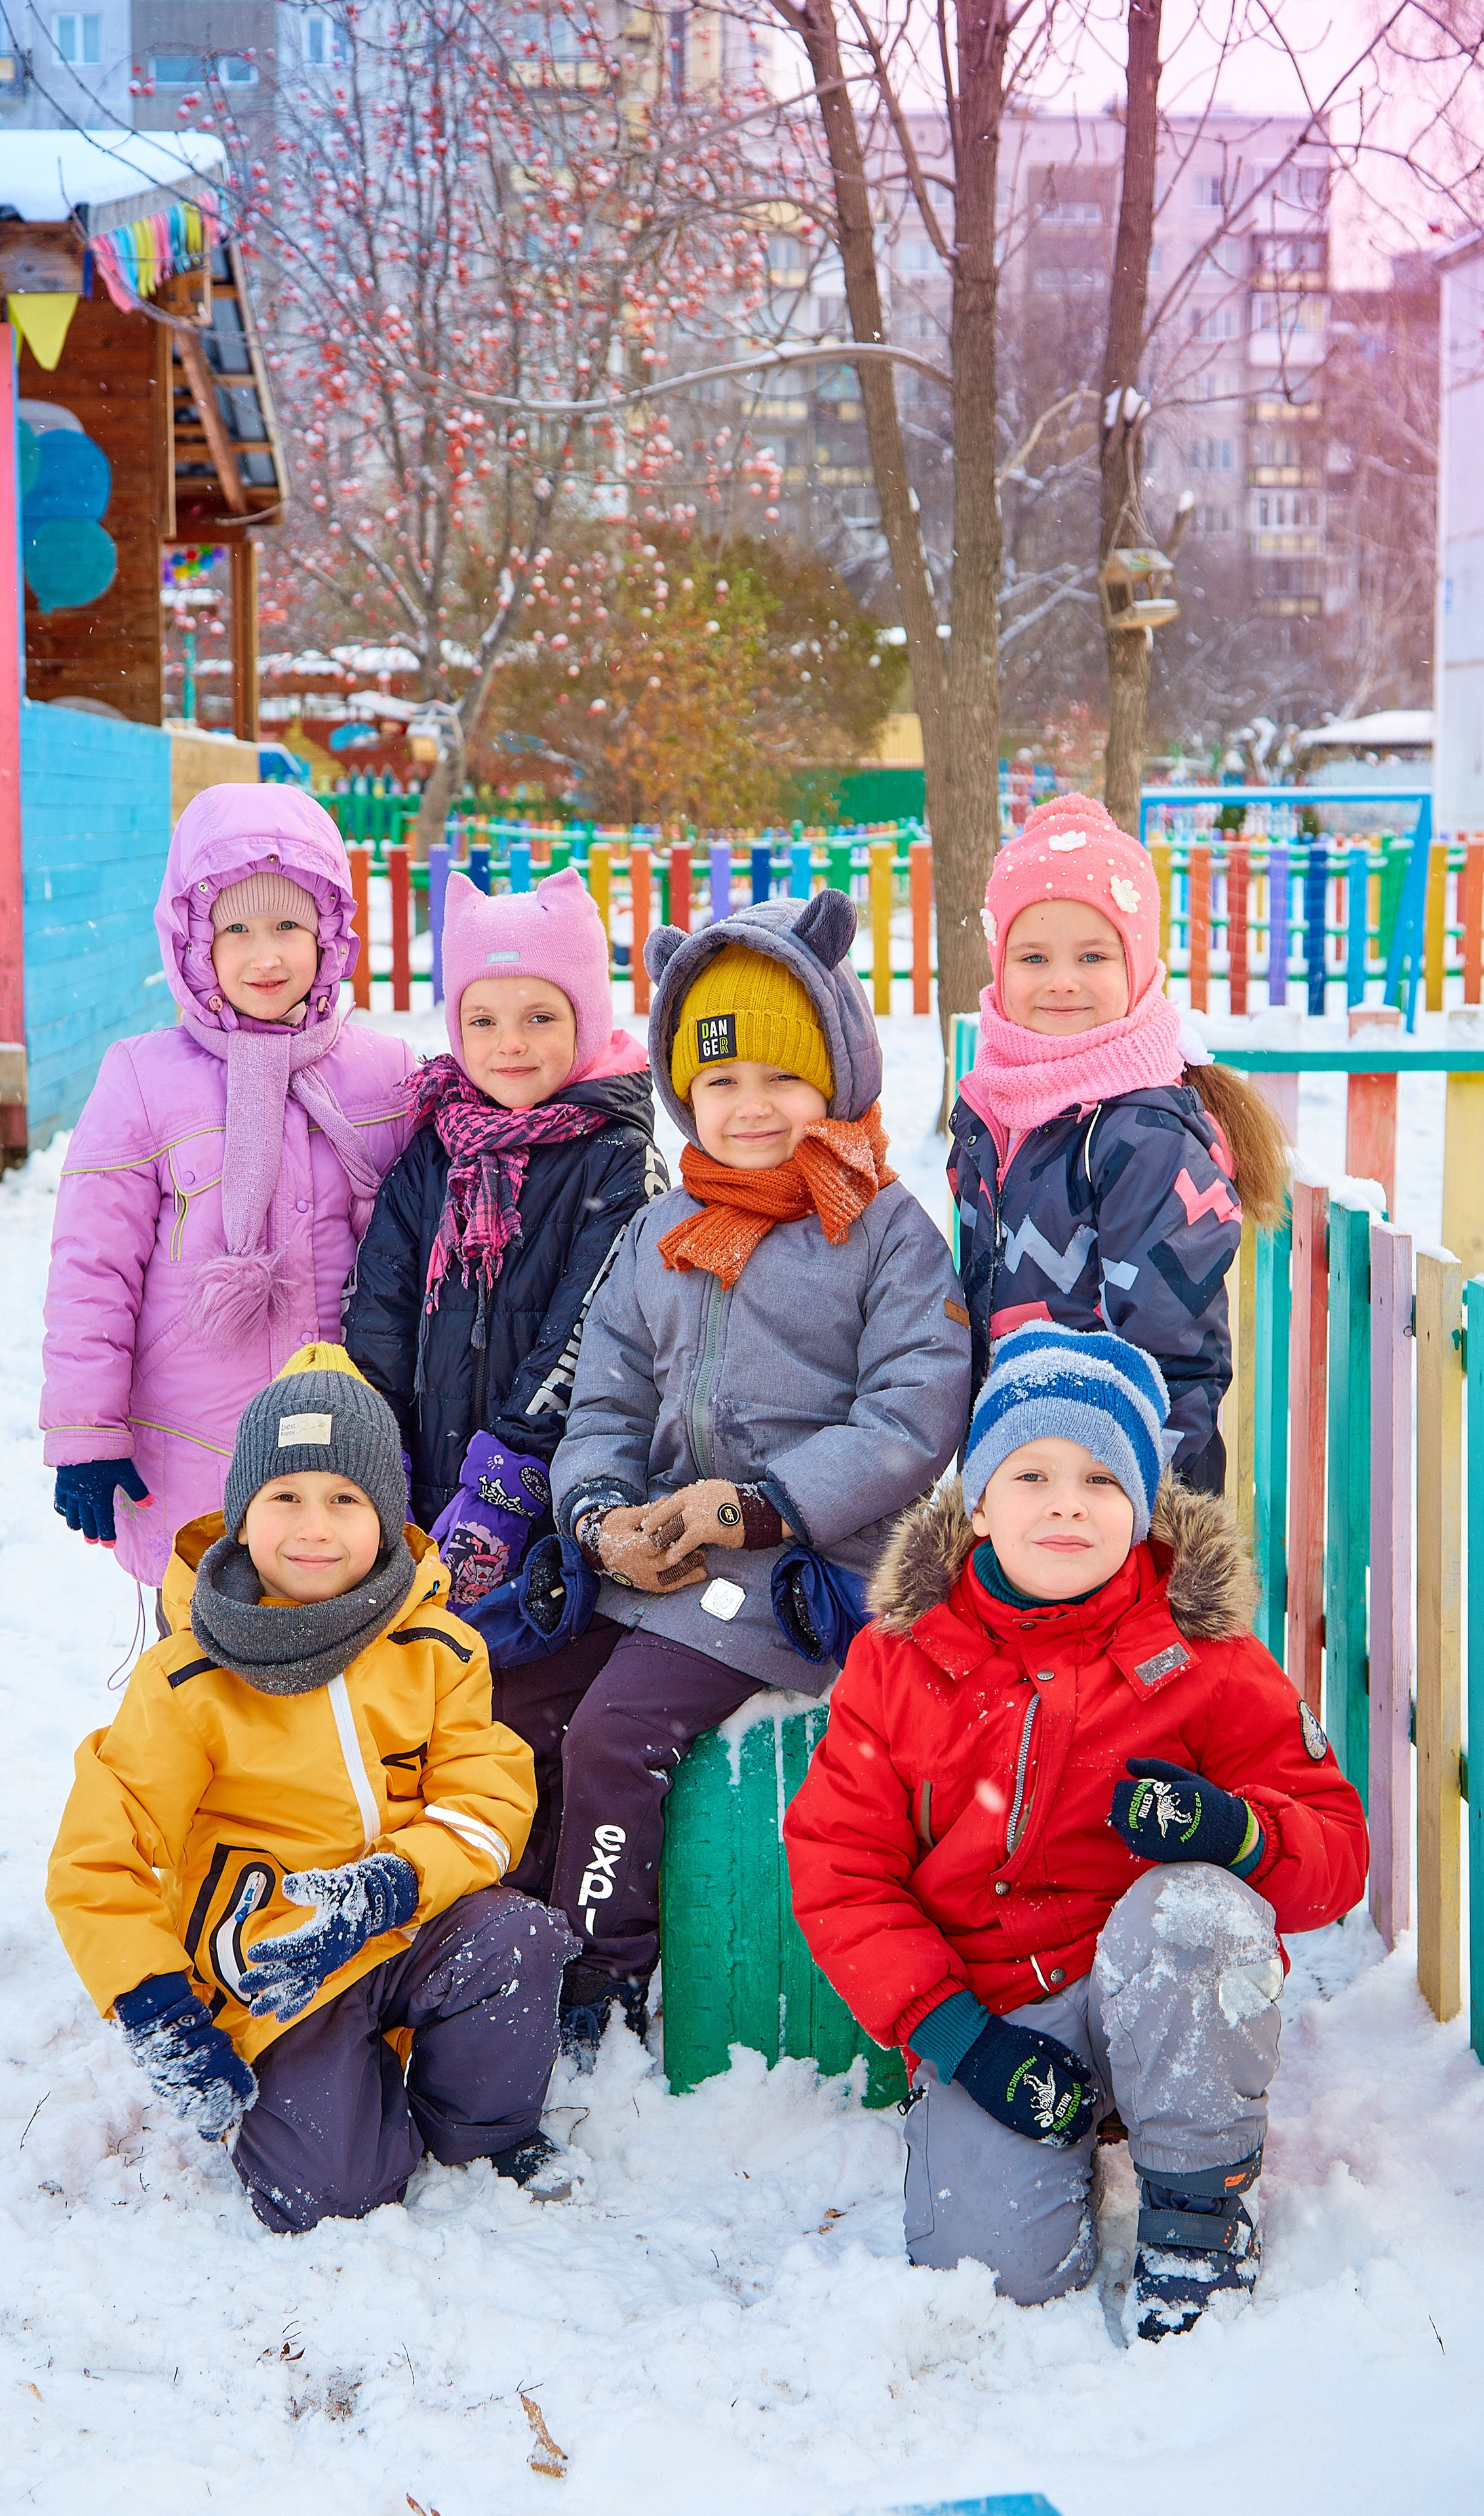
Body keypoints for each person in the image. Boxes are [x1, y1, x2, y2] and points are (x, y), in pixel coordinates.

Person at [785, 1321, 1367, 2340]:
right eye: (1032, 1473)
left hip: (1153, 1986)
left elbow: (1337, 1851)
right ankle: (1044, 2129)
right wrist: (961, 2042)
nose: (1065, 1501)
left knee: (1196, 1909)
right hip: (1001, 2013)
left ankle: (1197, 2201)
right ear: (977, 1505)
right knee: (994, 2275)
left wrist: (1237, 1833)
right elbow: (841, 1865)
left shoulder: (1205, 1657)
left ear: (1141, 1515)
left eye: (1102, 1480)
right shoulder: (900, 1659)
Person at [509, 890, 971, 2058]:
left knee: (618, 1731)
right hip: (662, 1558)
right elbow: (606, 1393)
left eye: (781, 1077)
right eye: (721, 1084)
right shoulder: (669, 1230)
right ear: (684, 1095)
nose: (752, 1107)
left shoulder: (881, 1230)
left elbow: (913, 1413)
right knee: (518, 1701)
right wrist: (601, 1512)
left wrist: (759, 1508)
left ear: (839, 1073)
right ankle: (502, 1938)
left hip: (799, 1568)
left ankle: (601, 1977)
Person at [47, 1345, 577, 2231]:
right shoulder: (186, 1682)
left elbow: (492, 1797)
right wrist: (159, 2010)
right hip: (278, 1972)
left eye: (345, 1499)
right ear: (241, 1517)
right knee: (334, 2198)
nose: (314, 1527)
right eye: (284, 1497)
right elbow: (99, 1860)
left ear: (387, 1517)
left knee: (517, 1938)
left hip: (402, 1923)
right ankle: (330, 2107)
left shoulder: (439, 1650)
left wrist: (394, 1883)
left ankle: (478, 2132)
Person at [39, 785, 418, 1588]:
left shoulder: (385, 1074)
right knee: (208, 1659)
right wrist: (86, 1433)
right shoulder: (143, 1078)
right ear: (192, 939)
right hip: (193, 1439)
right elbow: (91, 1268)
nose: (265, 956)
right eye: (235, 929)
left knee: (340, 1654)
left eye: (289, 926)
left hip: (346, 1445)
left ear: (330, 934)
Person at [949, 793, 1287, 1493]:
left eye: (1093, 955)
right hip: (1017, 1484)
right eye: (1033, 956)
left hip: (1114, 1504)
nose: (1062, 981)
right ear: (997, 963)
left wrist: (1140, 1519)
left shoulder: (1141, 1136)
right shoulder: (997, 1107)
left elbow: (1176, 1360)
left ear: (1136, 966)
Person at [344, 867, 661, 1606]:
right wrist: (374, 1439)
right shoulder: (436, 1149)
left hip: (547, 1494)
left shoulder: (617, 1157)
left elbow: (586, 1330)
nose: (508, 1045)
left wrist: (508, 1474)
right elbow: (381, 1303)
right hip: (420, 1485)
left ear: (584, 1016)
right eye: (482, 1021)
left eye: (540, 1018)